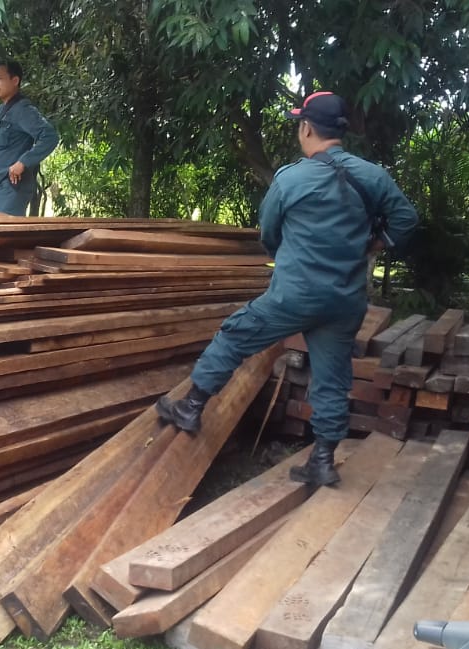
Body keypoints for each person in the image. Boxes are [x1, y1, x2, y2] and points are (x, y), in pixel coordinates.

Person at [156, 91, 418, 487]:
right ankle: (323, 460)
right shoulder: (372, 176)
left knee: (235, 336)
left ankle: (191, 408)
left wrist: (292, 257)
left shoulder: (290, 179)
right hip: (346, 300)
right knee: (332, 376)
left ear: (307, 127)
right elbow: (405, 219)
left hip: (295, 294)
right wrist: (372, 244)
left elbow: (269, 233)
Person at [0, 60, 59, 216]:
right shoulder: (1, 111)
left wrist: (23, 162)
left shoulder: (23, 110)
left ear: (15, 80)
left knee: (6, 237)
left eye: (0, 78)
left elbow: (50, 137)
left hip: (11, 187)